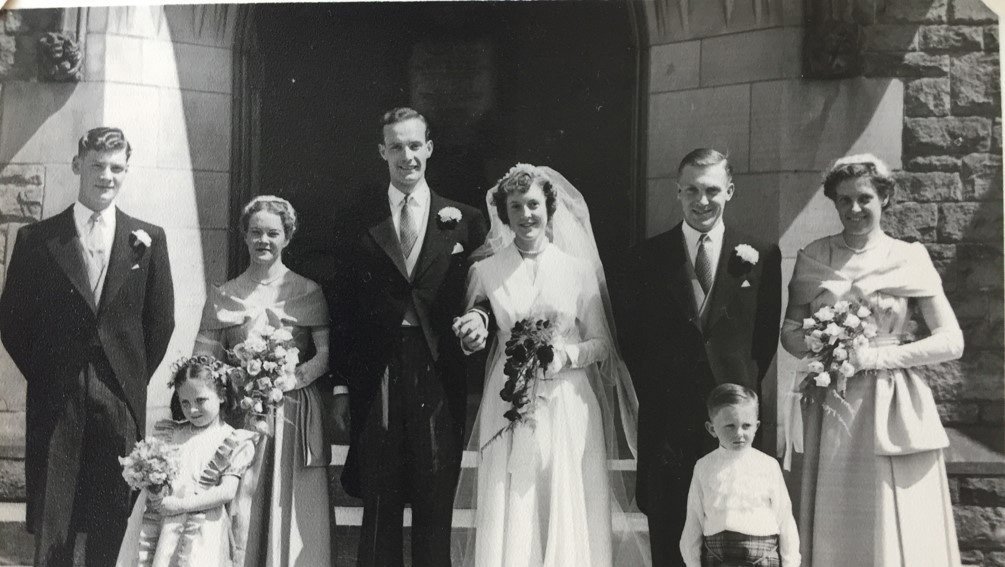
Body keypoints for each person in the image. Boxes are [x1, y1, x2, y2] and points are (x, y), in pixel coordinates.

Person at [453, 164, 646, 566]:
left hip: (568, 401)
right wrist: (471, 329)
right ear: (504, 213)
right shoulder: (485, 271)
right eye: (516, 206)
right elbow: (476, 332)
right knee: (514, 501)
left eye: (534, 204)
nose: (526, 214)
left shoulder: (577, 270)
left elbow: (603, 344)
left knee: (565, 499)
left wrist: (565, 355)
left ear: (549, 207)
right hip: (508, 402)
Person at [0, 127, 175, 566]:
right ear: (78, 165)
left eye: (117, 167)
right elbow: (13, 322)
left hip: (119, 399)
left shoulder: (148, 239)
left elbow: (160, 323)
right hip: (58, 397)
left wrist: (125, 374)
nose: (107, 176)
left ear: (127, 171)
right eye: (97, 165)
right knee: (54, 522)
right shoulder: (38, 239)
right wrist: (50, 371)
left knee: (111, 516)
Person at [779, 154, 963, 566]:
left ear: (884, 198)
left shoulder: (909, 257)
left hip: (891, 400)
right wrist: (826, 342)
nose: (854, 209)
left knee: (888, 505)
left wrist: (878, 357)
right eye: (844, 200)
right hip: (831, 403)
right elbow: (789, 333)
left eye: (864, 198)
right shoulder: (814, 256)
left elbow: (951, 341)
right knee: (837, 509)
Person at [615, 148, 782, 567]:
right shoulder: (645, 258)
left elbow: (762, 341)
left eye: (711, 190)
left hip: (731, 423)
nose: (701, 200)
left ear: (730, 190)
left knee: (736, 538)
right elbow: (632, 342)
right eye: (691, 189)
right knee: (671, 542)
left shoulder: (761, 255)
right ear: (678, 192)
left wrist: (735, 391)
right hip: (668, 424)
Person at [337, 107, 487, 567]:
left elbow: (487, 292)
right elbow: (341, 306)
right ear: (382, 152)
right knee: (379, 494)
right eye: (396, 146)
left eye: (415, 145)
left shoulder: (466, 219)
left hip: (438, 366)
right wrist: (342, 386)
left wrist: (479, 318)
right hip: (378, 366)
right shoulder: (357, 218)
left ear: (429, 148)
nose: (407, 156)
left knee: (435, 489)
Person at [193, 195, 332, 566]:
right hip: (242, 414)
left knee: (290, 507)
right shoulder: (225, 295)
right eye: (256, 232)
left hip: (294, 413)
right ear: (244, 236)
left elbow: (325, 355)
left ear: (287, 236)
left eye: (273, 233)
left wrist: (289, 379)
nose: (263, 241)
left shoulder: (308, 291)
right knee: (243, 503)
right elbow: (203, 362)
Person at [116, 356, 258, 567]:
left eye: (200, 400)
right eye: (185, 402)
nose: (192, 410)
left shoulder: (231, 440)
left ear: (220, 395)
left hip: (202, 528)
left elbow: (227, 491)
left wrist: (182, 505)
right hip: (165, 524)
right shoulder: (172, 433)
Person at [679, 384, 799, 567]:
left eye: (746, 426)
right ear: (711, 429)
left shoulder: (768, 465)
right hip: (719, 556)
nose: (739, 433)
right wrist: (693, 563)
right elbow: (694, 519)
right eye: (730, 426)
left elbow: (785, 518)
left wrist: (791, 563)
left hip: (763, 555)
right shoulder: (704, 467)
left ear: (756, 426)